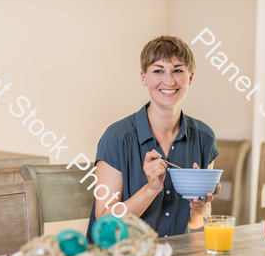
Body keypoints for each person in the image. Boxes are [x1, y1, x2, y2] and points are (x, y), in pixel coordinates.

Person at [86, 35, 221, 242]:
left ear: (190, 77)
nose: (169, 81)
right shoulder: (117, 137)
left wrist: (199, 206)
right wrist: (151, 190)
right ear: (144, 77)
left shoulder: (204, 138)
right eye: (158, 71)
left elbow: (196, 222)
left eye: (178, 70)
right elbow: (106, 224)